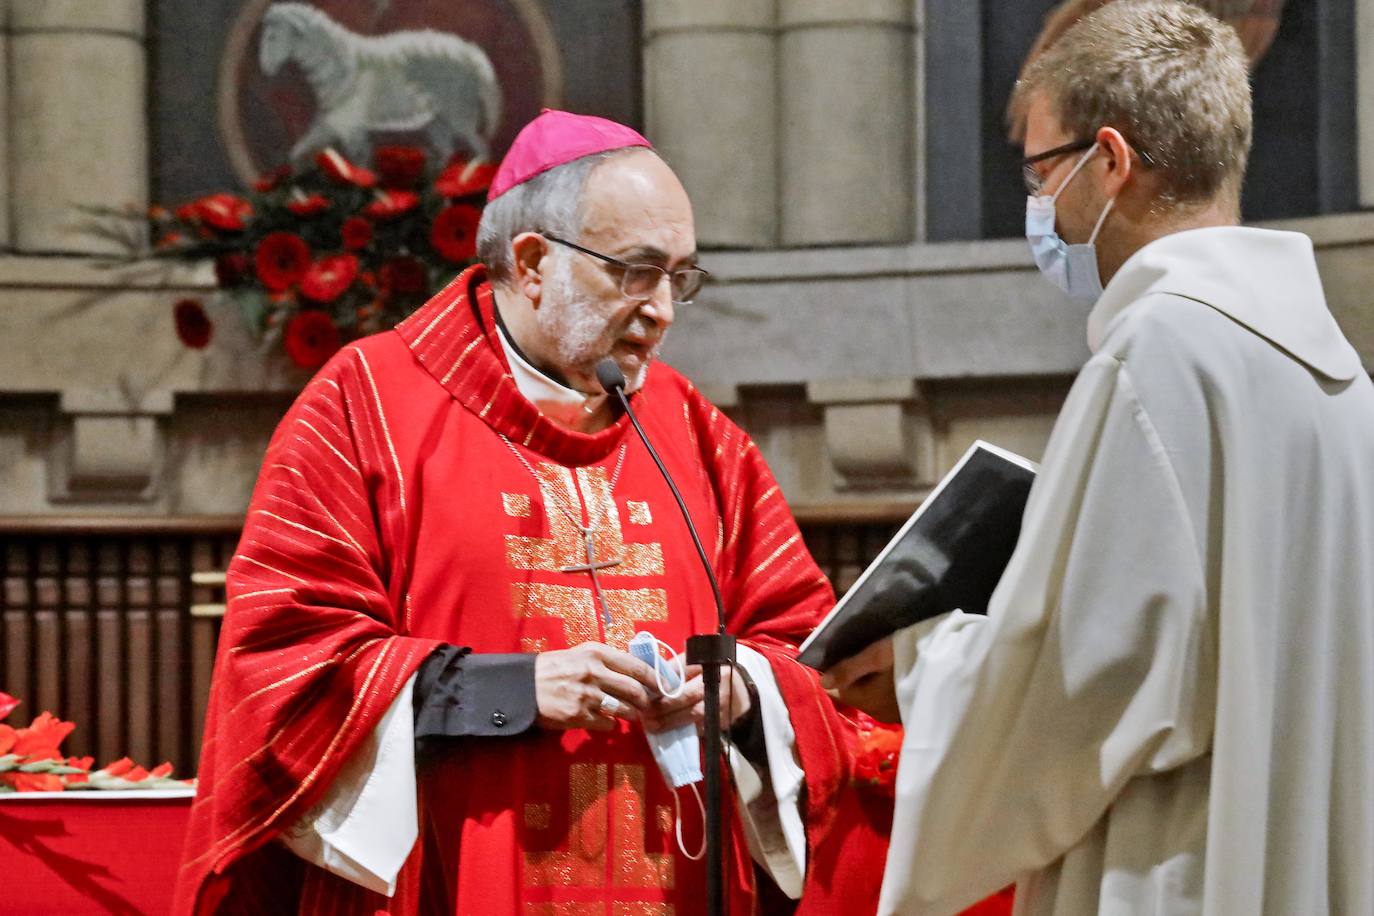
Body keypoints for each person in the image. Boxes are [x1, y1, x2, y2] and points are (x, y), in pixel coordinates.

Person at [174, 111, 887, 914]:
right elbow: (287, 667)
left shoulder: (697, 435)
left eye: (680, 277)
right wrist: (514, 689)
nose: (665, 311)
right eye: (637, 272)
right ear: (533, 261)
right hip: (457, 883)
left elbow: (807, 651)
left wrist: (739, 691)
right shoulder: (365, 405)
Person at [825, 3, 1374, 914]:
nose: (1036, 203)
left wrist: (917, 663)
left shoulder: (1161, 357)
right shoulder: (1338, 376)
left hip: (1179, 867)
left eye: (1042, 170)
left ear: (1110, 161)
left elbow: (1078, 688)